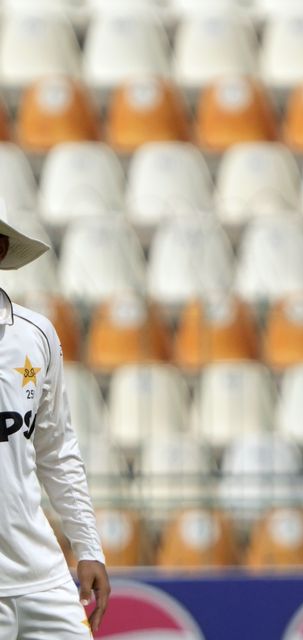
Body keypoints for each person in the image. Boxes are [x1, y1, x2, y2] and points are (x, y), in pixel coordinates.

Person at [0, 206, 110, 637]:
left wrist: (87, 547)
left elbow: (57, 451)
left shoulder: (37, 334)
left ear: (1, 249)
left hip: (42, 576)